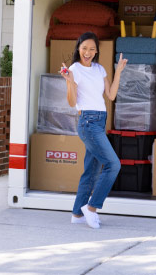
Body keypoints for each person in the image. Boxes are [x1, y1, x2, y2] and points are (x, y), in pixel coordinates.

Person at [59, 31, 127, 229]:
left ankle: (77, 213)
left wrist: (119, 71)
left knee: (91, 171)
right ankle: (91, 208)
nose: (87, 52)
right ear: (78, 49)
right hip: (87, 122)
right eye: (84, 49)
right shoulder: (74, 69)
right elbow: (72, 102)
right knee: (113, 164)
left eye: (91, 49)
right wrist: (69, 81)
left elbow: (111, 95)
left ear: (96, 51)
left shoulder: (99, 69)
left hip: (99, 122)